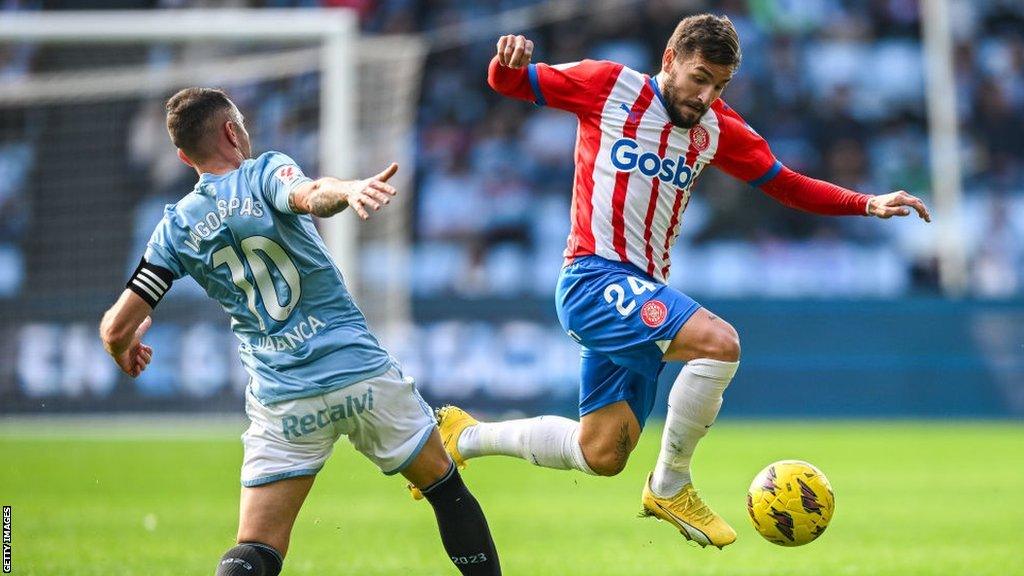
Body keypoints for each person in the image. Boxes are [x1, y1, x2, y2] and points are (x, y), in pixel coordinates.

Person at [420, 14, 931, 549]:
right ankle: (671, 485)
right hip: (592, 277)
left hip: (639, 290)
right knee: (720, 343)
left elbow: (785, 184)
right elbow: (509, 83)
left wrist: (866, 202)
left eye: (720, 85)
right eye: (700, 77)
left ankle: (465, 436)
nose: (707, 95)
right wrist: (508, 62)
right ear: (670, 60)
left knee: (602, 454)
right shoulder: (608, 86)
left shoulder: (717, 128)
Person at [98, 88, 501, 575]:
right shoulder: (263, 172)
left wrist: (125, 346)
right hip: (358, 374)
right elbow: (309, 193)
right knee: (445, 489)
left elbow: (116, 325)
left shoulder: (176, 228)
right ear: (232, 132)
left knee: (255, 549)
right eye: (241, 123)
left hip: (284, 397)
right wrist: (348, 190)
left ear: (184, 156)